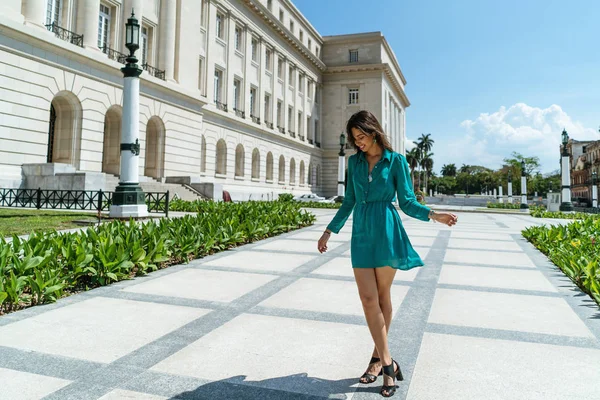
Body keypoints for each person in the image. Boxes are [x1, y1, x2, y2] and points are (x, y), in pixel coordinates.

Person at [317, 110, 457, 398]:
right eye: (354, 139)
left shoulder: (396, 162)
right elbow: (349, 202)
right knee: (368, 299)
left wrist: (434, 215)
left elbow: (406, 202)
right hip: (362, 234)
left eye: (361, 137)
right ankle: (389, 363)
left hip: (387, 231)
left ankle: (377, 361)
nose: (358, 144)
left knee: (382, 298)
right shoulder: (354, 163)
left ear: (373, 132)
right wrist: (329, 231)